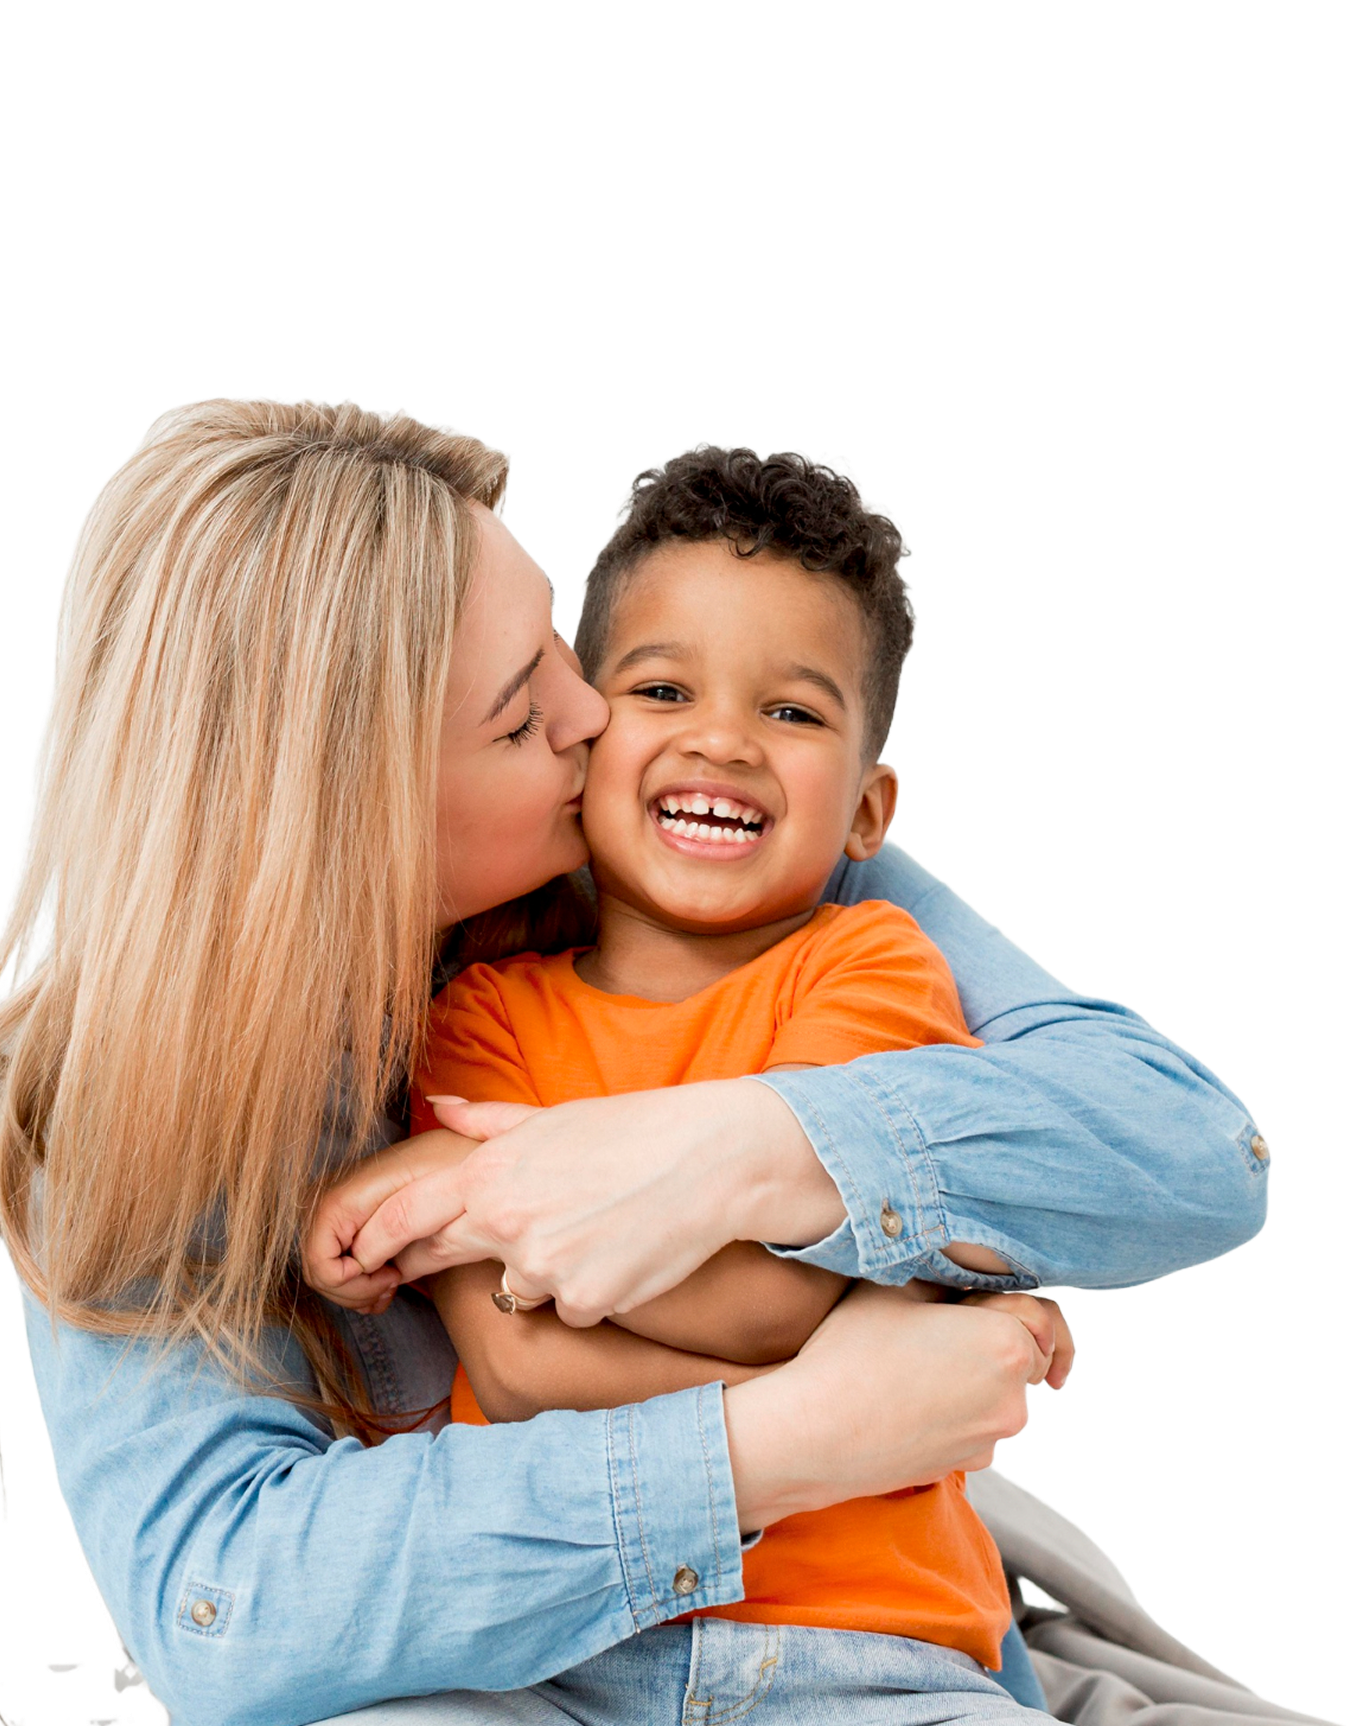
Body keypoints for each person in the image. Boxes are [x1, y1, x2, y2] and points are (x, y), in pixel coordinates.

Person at [0, 395, 1272, 1726]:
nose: (595, 710)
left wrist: (733, 1151)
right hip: (527, 1672)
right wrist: (793, 1436)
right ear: (353, 812)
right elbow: (233, 1602)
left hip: (871, 1646)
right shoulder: (116, 1095)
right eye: (514, 714)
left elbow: (1187, 1148)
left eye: (556, 637)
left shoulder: (720, 853)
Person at [306, 443, 1077, 1722]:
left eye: (792, 711)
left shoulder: (873, 968)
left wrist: (489, 1199)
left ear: (869, 810)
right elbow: (516, 1367)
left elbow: (771, 1299)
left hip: (866, 1653)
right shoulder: (484, 1012)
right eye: (663, 688)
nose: (721, 740)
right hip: (551, 1652)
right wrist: (852, 1399)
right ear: (584, 733)